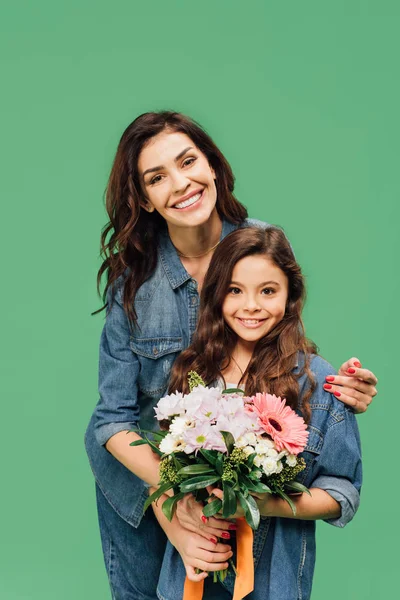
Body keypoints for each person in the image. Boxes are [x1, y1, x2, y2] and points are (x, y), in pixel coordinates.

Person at [84, 111, 377, 600]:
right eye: (157, 178)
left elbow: (280, 346)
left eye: (188, 161)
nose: (181, 184)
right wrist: (172, 504)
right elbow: (111, 420)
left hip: (237, 489)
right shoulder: (132, 286)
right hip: (141, 484)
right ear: (144, 199)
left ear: (213, 164)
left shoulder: (258, 243)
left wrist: (342, 390)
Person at [155, 226, 362, 600]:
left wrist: (267, 503)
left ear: (290, 295)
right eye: (235, 290)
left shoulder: (317, 382)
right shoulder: (190, 371)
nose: (251, 305)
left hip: (273, 584)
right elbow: (162, 472)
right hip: (190, 577)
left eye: (268, 291)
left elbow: (343, 492)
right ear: (216, 294)